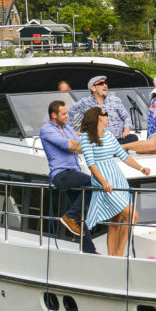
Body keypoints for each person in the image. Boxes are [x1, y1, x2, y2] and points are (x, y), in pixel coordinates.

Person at [78, 106, 151, 256]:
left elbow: (123, 156)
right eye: (106, 115)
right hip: (104, 182)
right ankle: (119, 253)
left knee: (114, 222)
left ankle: (113, 257)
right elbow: (91, 164)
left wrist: (141, 168)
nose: (108, 118)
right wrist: (103, 182)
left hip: (117, 179)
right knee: (132, 215)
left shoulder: (110, 135)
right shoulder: (85, 138)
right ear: (99, 117)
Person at [39, 100, 97, 254]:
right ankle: (69, 216)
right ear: (53, 115)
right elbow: (70, 145)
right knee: (94, 182)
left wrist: (85, 145)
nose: (67, 116)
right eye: (64, 113)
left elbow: (79, 147)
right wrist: (81, 146)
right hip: (62, 175)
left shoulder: (68, 128)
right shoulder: (47, 130)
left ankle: (89, 251)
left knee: (80, 217)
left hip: (72, 174)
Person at [70, 75, 137, 144]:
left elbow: (126, 117)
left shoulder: (115, 100)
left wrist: (126, 131)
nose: (105, 86)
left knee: (134, 137)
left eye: (105, 83)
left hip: (118, 139)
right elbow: (69, 112)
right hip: (98, 141)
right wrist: (71, 131)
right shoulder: (84, 102)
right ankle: (116, 149)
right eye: (101, 84)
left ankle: (113, 148)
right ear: (93, 88)